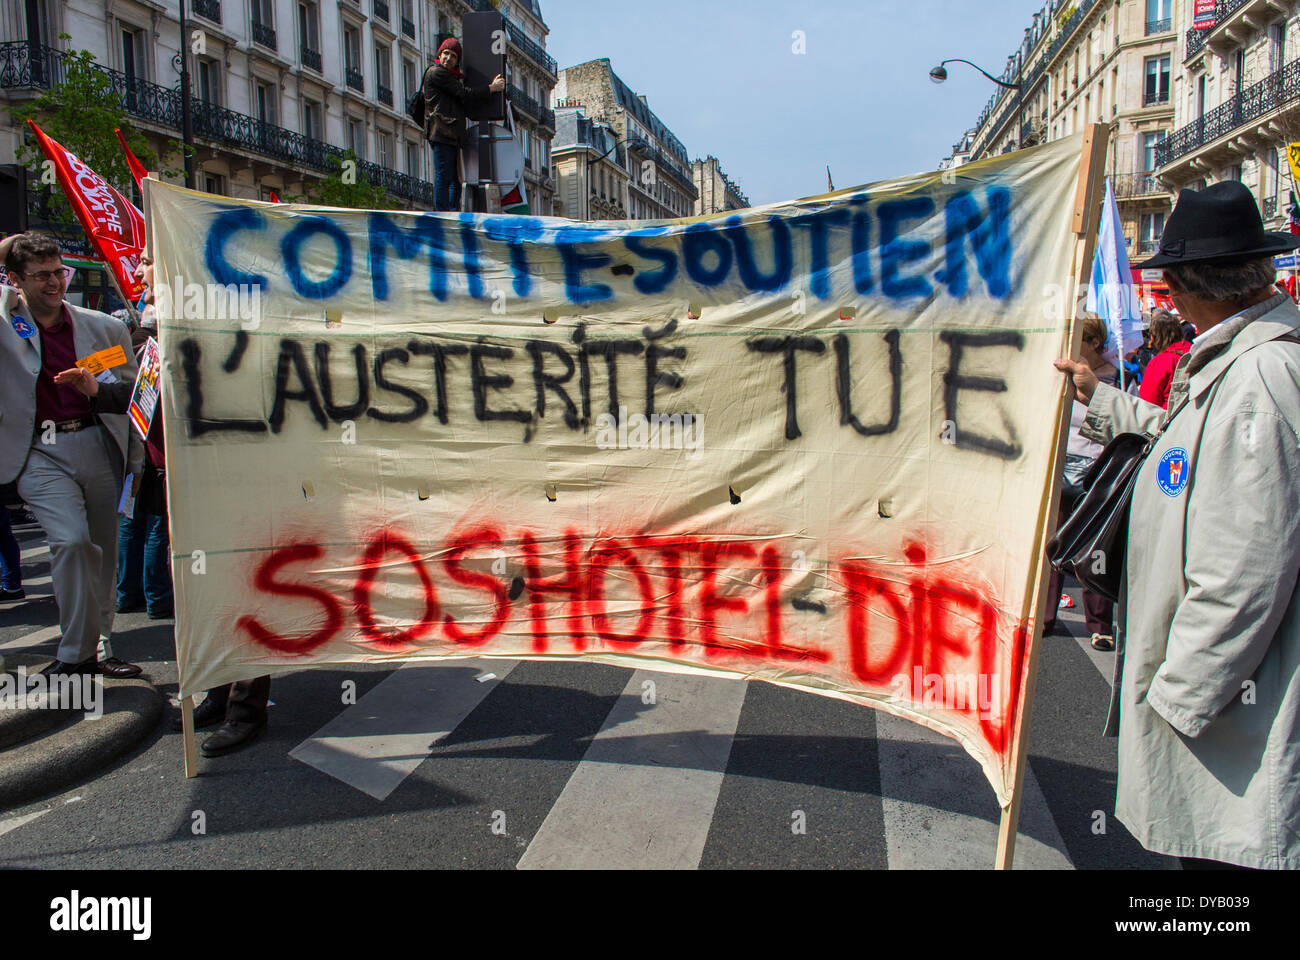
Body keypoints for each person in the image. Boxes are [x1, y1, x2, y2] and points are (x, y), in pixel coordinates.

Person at [1054, 180, 1300, 870]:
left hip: (1228, 710)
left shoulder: (1260, 377)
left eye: (1172, 279)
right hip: (1223, 698)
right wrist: (1099, 400)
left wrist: (1181, 694)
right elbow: (1184, 443)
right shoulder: (1242, 362)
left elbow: (1248, 565)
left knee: (1223, 875)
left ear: (1194, 284)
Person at [0, 232, 142, 677]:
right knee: (71, 542)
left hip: (99, 443)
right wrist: (12, 243)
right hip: (38, 451)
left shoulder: (104, 327)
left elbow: (136, 393)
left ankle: (99, 649)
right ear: (16, 279)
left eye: (58, 272)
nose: (53, 283)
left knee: (102, 550)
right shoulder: (4, 320)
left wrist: (95, 388)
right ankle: (74, 653)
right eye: (40, 275)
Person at [1044, 314, 1118, 651]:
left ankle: (1100, 625)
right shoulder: (1061, 373)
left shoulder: (1114, 375)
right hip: (1060, 466)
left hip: (1097, 472)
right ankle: (1045, 617)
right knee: (1054, 544)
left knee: (1093, 548)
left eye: (1079, 339)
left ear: (1091, 342)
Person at [423, 37, 506, 212]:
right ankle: (443, 213)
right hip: (442, 133)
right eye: (446, 53)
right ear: (440, 54)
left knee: (454, 179)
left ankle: (451, 211)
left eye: (453, 56)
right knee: (444, 176)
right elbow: (463, 94)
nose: (448, 58)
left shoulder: (450, 77)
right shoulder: (436, 73)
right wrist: (491, 88)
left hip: (450, 134)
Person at [1136, 308, 1192, 409]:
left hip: (1171, 417)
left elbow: (1148, 404)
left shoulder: (1161, 362)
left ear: (1154, 336)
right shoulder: (1194, 350)